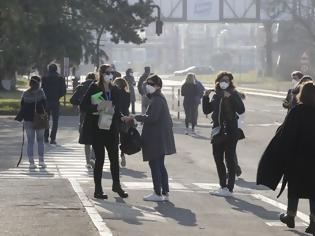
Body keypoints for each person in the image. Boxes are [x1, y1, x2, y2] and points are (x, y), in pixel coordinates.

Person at [257, 82, 315, 235]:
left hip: (297, 157)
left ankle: (290, 216)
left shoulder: (297, 111)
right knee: (313, 190)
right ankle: (314, 222)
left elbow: (287, 135)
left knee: (294, 187)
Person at [122, 74, 176, 202]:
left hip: (155, 138)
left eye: (152, 84)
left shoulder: (157, 100)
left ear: (158, 86)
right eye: (147, 83)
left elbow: (152, 118)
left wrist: (135, 117)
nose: (148, 86)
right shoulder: (158, 98)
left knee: (155, 164)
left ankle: (158, 192)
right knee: (160, 165)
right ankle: (164, 191)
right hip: (159, 137)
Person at [79, 64, 128, 199]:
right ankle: (98, 189)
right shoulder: (94, 87)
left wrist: (123, 117)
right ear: (101, 73)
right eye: (107, 72)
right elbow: (83, 106)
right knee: (99, 159)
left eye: (112, 72)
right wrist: (99, 107)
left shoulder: (115, 89)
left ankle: (116, 185)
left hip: (111, 128)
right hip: (97, 128)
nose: (110, 75)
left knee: (114, 159)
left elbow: (117, 109)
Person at [202, 71, 245, 197]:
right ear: (217, 81)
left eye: (226, 80)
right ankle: (223, 186)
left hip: (231, 131)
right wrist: (205, 97)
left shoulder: (233, 94)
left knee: (230, 159)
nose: (223, 82)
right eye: (221, 80)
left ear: (230, 82)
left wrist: (230, 97)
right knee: (217, 158)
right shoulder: (216, 95)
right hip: (217, 131)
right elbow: (207, 110)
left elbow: (241, 110)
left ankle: (229, 188)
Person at [15, 76, 47, 169]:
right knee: (40, 141)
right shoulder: (41, 93)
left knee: (30, 142)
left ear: (30, 83)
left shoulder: (25, 94)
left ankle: (31, 163)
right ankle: (41, 161)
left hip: (28, 120)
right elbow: (45, 105)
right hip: (40, 119)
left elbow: (22, 106)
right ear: (39, 83)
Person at [70, 72, 96, 169]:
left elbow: (72, 100)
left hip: (84, 114)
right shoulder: (97, 88)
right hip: (95, 115)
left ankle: (88, 161)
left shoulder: (81, 87)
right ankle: (93, 157)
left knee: (86, 139)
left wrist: (81, 103)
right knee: (95, 138)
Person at [41, 63, 66, 144]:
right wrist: (58, 96)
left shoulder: (44, 77)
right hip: (55, 101)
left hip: (46, 101)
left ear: (49, 69)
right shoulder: (60, 78)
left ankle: (45, 137)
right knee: (55, 121)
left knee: (46, 120)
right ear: (56, 69)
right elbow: (63, 91)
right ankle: (53, 138)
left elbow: (42, 89)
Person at [113, 77, 131, 168]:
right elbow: (127, 106)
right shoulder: (127, 94)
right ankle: (122, 155)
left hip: (116, 117)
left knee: (115, 139)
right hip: (125, 117)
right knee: (123, 138)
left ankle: (115, 157)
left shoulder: (115, 93)